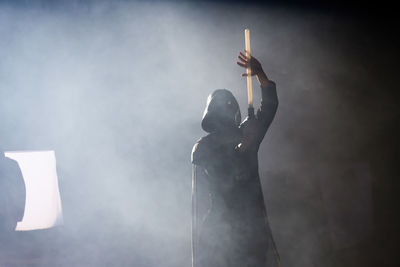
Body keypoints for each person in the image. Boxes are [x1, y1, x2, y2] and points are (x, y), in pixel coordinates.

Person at [191, 51, 280, 267]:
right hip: (219, 233)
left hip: (252, 231)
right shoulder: (203, 146)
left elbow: (268, 108)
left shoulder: (247, 135)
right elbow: (221, 172)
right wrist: (240, 146)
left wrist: (260, 74)